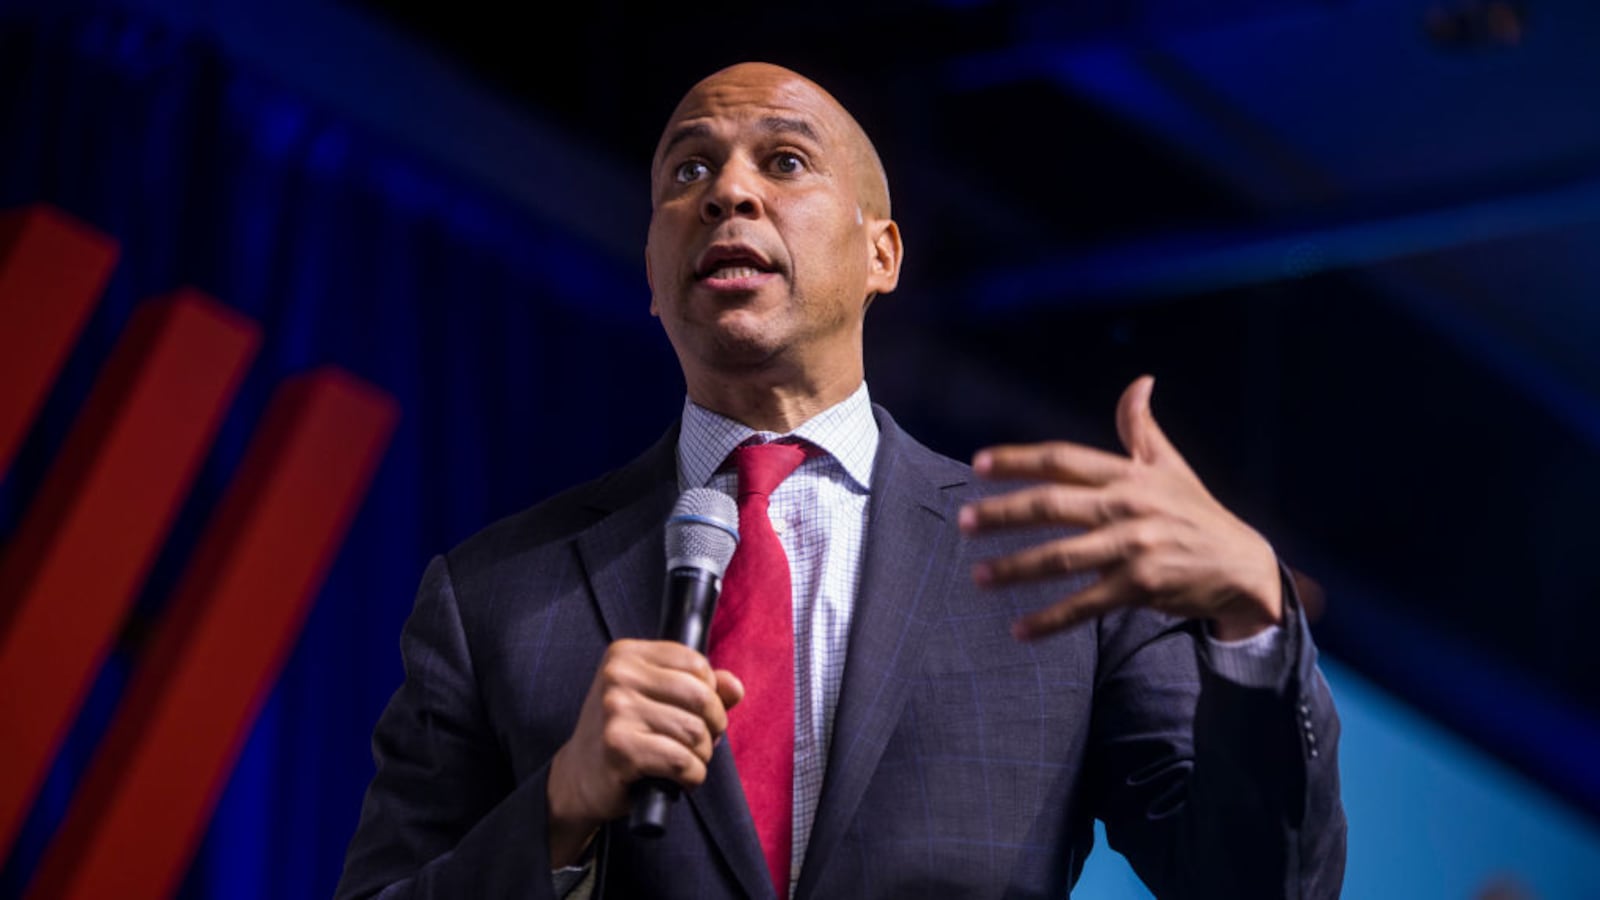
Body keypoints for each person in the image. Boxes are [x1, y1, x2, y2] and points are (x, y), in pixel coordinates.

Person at [335, 62, 1346, 899]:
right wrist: (557, 808)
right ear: (651, 273)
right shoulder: (495, 595)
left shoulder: (1049, 564)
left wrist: (1249, 621)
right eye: (687, 171)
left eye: (782, 161)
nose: (726, 193)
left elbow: (1259, 888)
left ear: (882, 253)